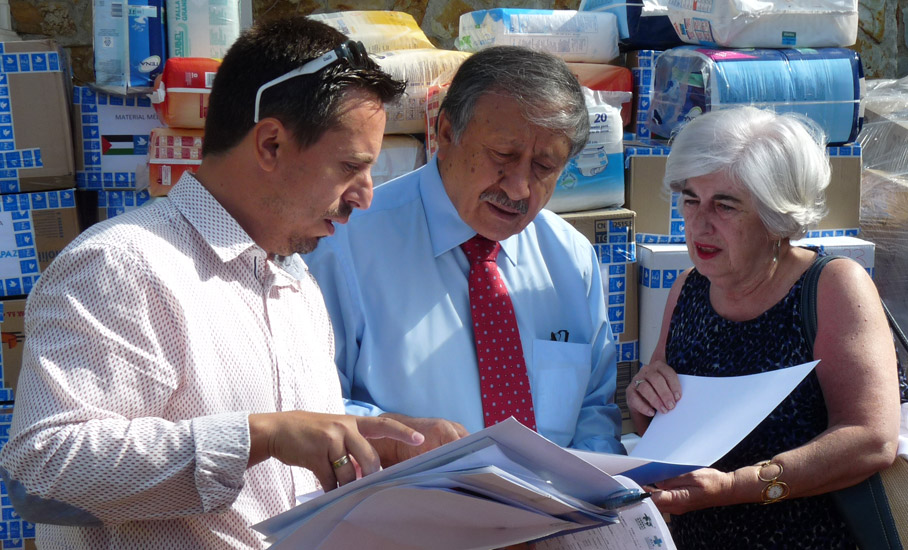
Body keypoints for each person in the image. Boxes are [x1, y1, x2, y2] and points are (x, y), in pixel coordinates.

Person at [0, 17, 428, 549]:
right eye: (350, 167)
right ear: (270, 144)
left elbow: (283, 461)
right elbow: (40, 476)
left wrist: (367, 449)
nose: (365, 195)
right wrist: (258, 436)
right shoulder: (123, 265)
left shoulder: (293, 278)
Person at [304, 45, 624, 462]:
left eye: (544, 167)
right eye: (503, 156)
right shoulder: (347, 246)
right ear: (446, 132)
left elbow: (594, 411)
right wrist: (402, 439)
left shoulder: (570, 259)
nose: (519, 189)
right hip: (408, 516)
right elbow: (310, 408)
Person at [625, 106, 904, 549]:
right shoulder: (688, 289)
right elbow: (660, 423)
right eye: (690, 198)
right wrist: (643, 396)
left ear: (777, 215)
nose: (699, 222)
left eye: (726, 204)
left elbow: (870, 440)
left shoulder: (832, 286)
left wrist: (738, 486)